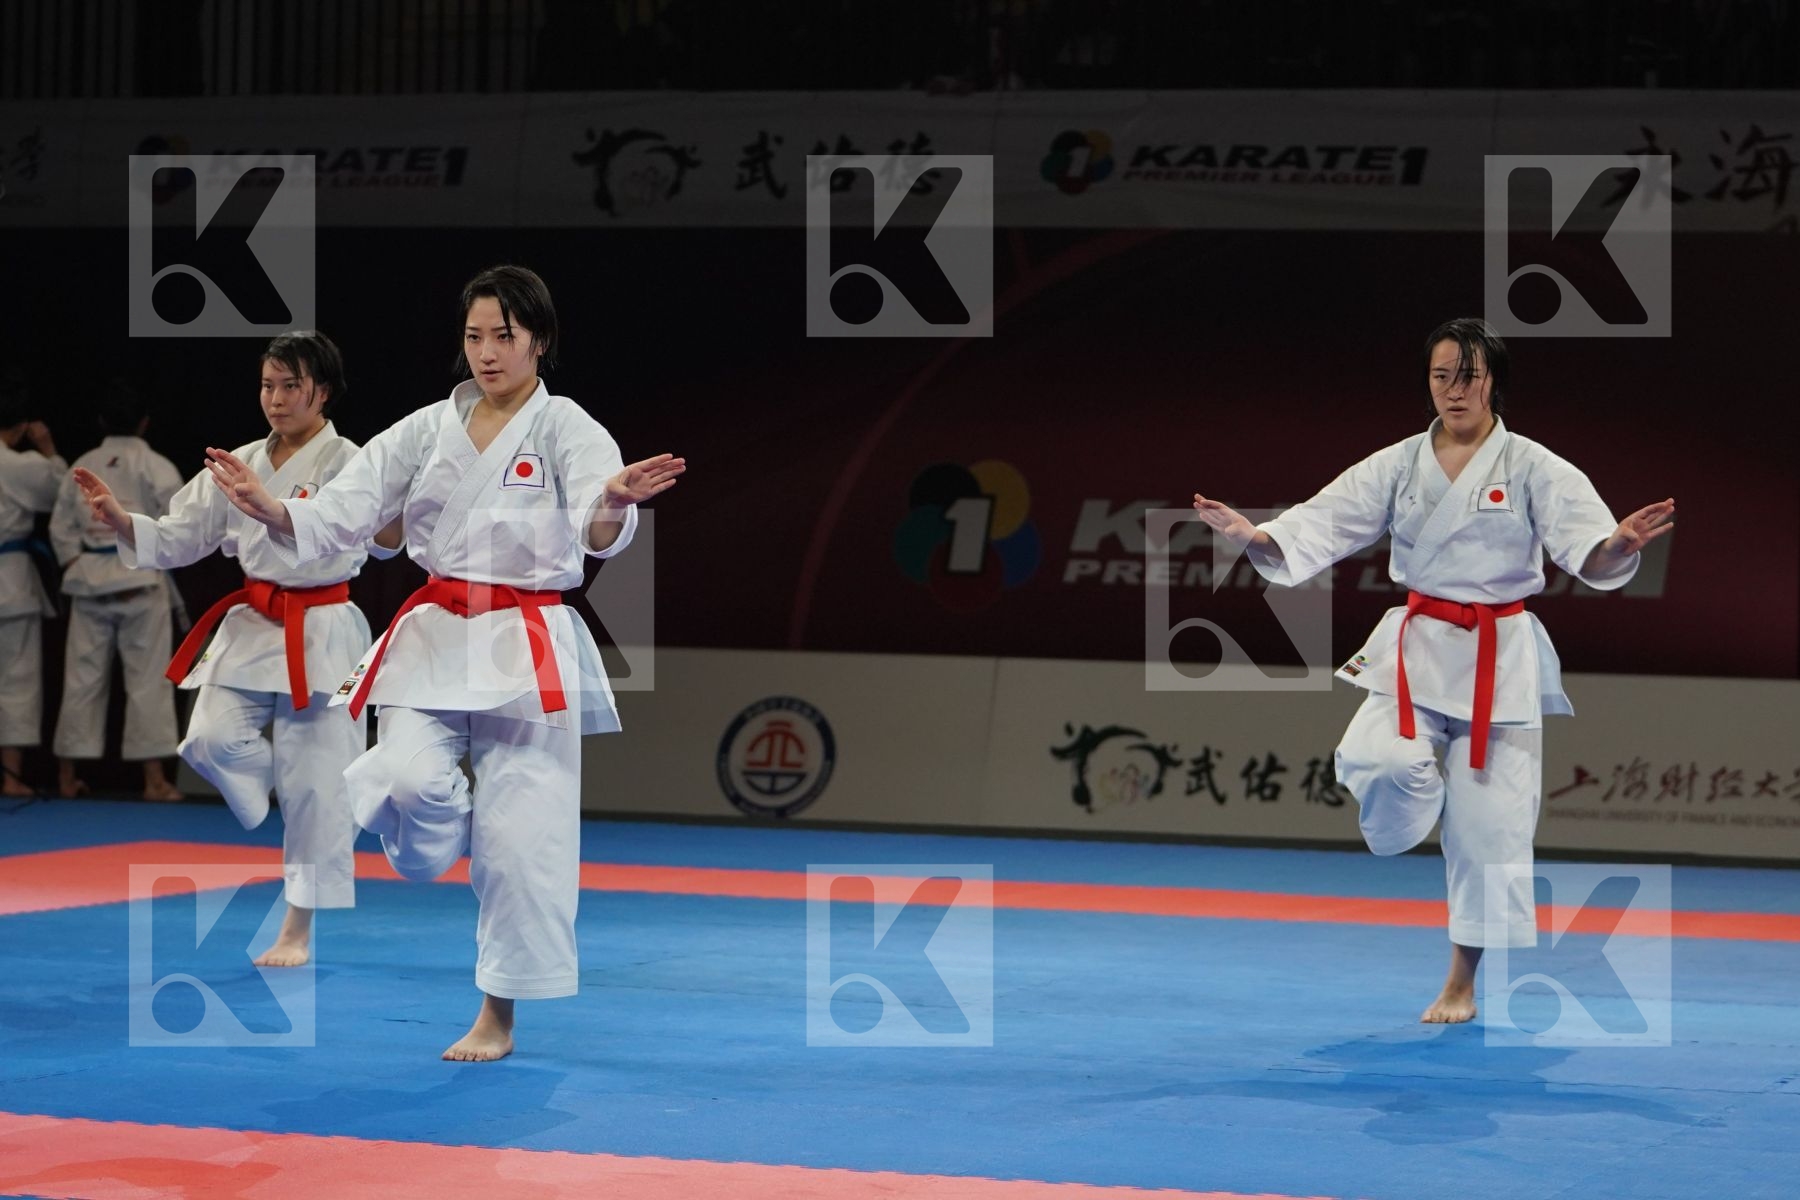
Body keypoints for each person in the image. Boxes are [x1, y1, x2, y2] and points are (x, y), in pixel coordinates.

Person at [206, 265, 685, 1060]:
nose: (487, 352)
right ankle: (435, 837)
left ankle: (497, 1015)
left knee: (522, 843)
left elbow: (595, 522)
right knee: (406, 781)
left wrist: (612, 502)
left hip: (527, 639)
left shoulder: (565, 425)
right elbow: (350, 507)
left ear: (540, 340)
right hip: (435, 633)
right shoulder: (427, 428)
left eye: (504, 336)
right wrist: (273, 508)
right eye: (474, 336)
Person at [1191, 317, 1673, 1024]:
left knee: (1489, 834)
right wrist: (1256, 536)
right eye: (1442, 375)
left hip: (1499, 655)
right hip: (1418, 645)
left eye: (1468, 375)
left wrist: (1618, 547)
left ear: (1493, 382)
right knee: (1379, 759)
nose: (1454, 389)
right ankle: (1416, 811)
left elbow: (1588, 551)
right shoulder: (1397, 464)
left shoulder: (1534, 466)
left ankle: (1460, 984)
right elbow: (1323, 523)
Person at [73, 331, 397, 967]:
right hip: (254, 621)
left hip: (324, 625)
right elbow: (180, 534)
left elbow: (384, 540)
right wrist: (122, 521)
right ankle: (259, 784)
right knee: (208, 739)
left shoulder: (352, 462)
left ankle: (297, 928)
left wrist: (375, 511)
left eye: (290, 386)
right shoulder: (240, 461)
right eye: (267, 386)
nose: (275, 399)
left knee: (316, 788)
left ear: (323, 392)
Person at [50, 381, 185, 801]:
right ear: (144, 423)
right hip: (140, 579)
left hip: (90, 579)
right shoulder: (157, 466)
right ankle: (154, 781)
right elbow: (179, 525)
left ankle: (67, 776)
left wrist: (76, 564)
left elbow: (61, 526)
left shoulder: (83, 464)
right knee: (147, 681)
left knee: (81, 679)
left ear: (101, 422)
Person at [0, 375, 66, 796]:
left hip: (12, 572)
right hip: (11, 582)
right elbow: (62, 490)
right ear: (23, 426)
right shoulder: (20, 465)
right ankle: (11, 776)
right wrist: (48, 450)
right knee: (16, 679)